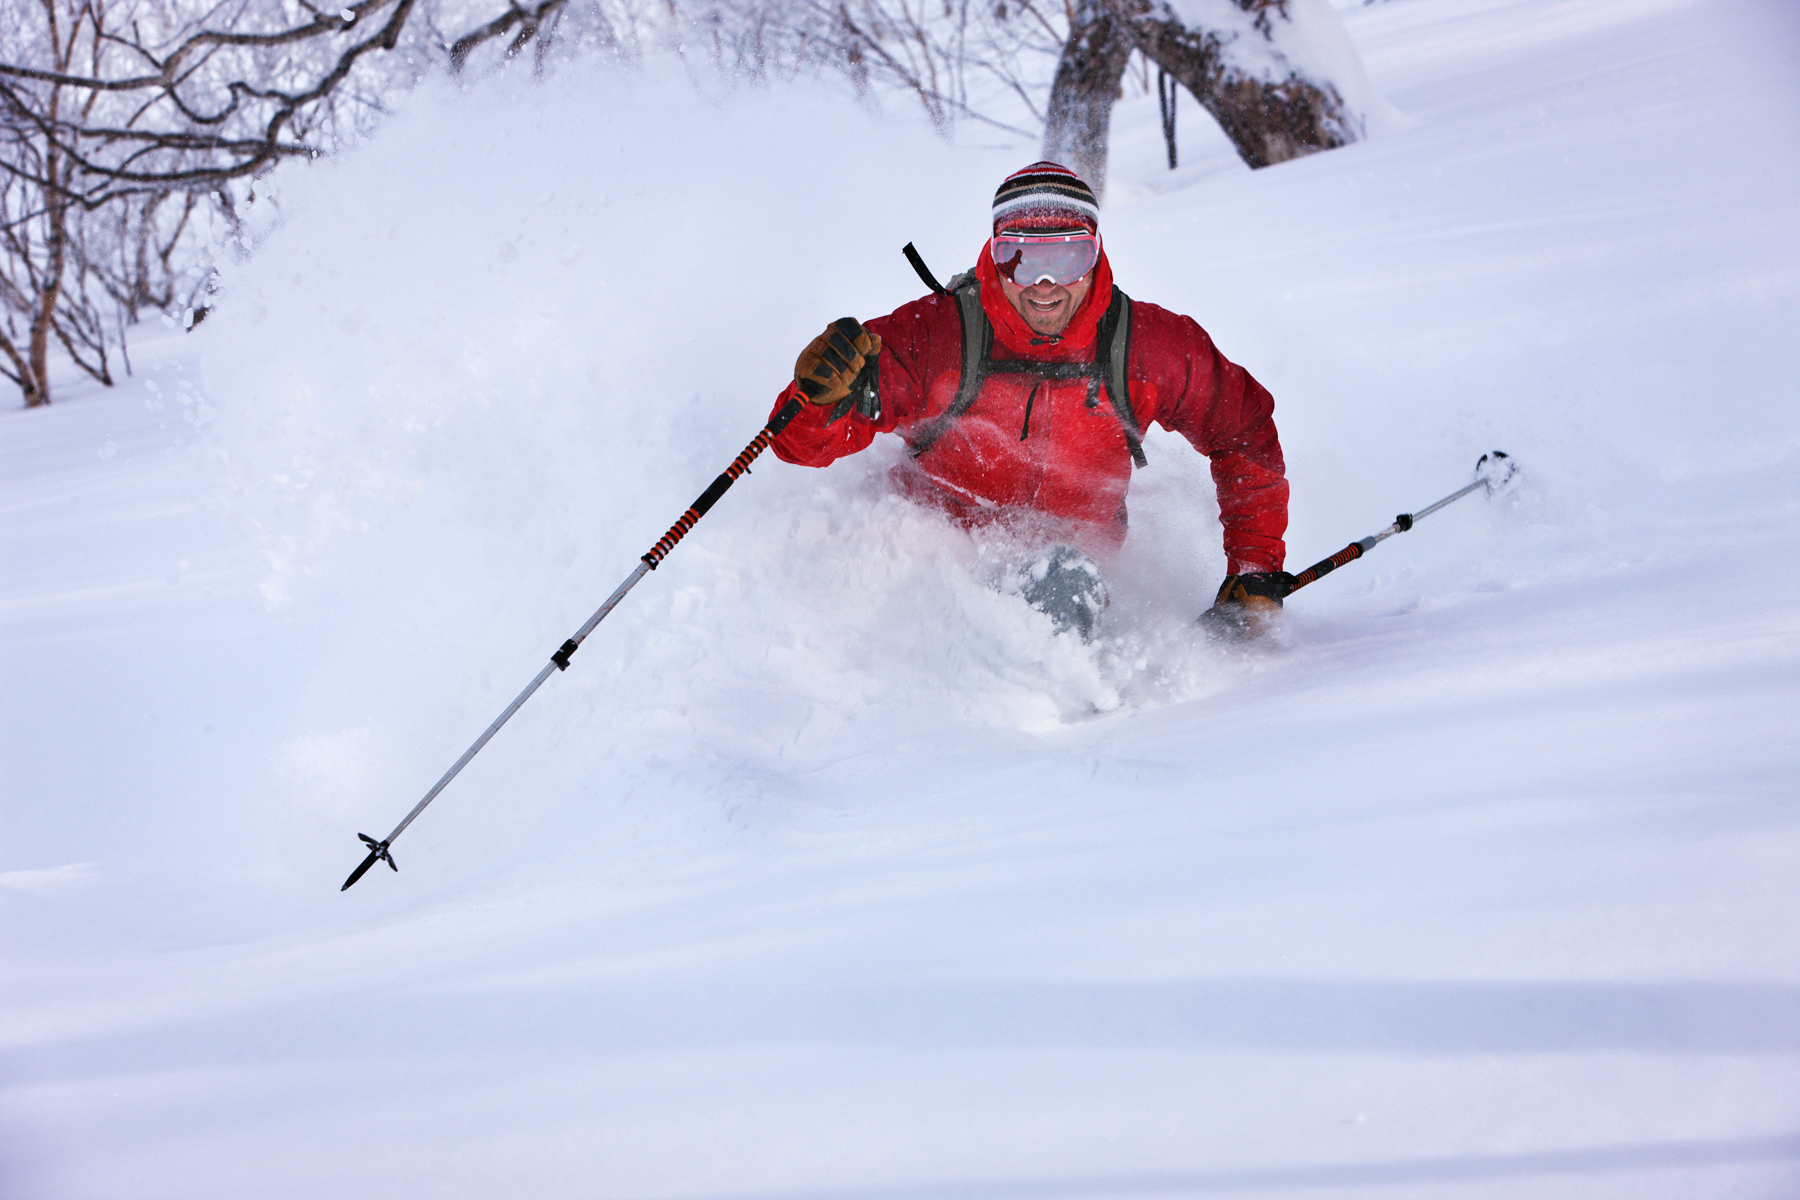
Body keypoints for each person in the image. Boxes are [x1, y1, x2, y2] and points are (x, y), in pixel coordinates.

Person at [769, 161, 1292, 640]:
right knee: (1042, 588)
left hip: (1080, 578)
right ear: (994, 256)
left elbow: (1242, 431)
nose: (1044, 284)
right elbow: (798, 445)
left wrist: (1254, 566)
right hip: (932, 564)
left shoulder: (1146, 346)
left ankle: (1057, 721)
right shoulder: (938, 335)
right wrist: (815, 400)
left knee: (1062, 581)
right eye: (1018, 258)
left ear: (1095, 254)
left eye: (1067, 257)